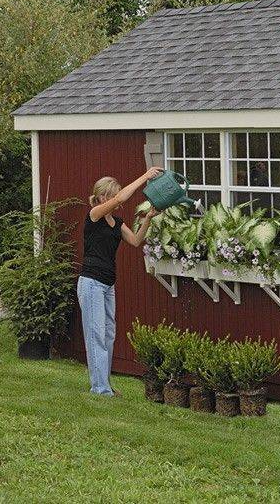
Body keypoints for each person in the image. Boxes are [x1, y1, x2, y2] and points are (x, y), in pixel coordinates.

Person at [78, 168, 162, 396]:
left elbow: (135, 241)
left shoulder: (116, 221)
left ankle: (104, 384)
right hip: (91, 282)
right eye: (112, 194)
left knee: (108, 334)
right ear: (103, 196)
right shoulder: (94, 214)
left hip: (107, 284)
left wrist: (148, 219)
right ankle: (100, 389)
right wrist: (146, 176)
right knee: (95, 334)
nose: (116, 199)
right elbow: (122, 197)